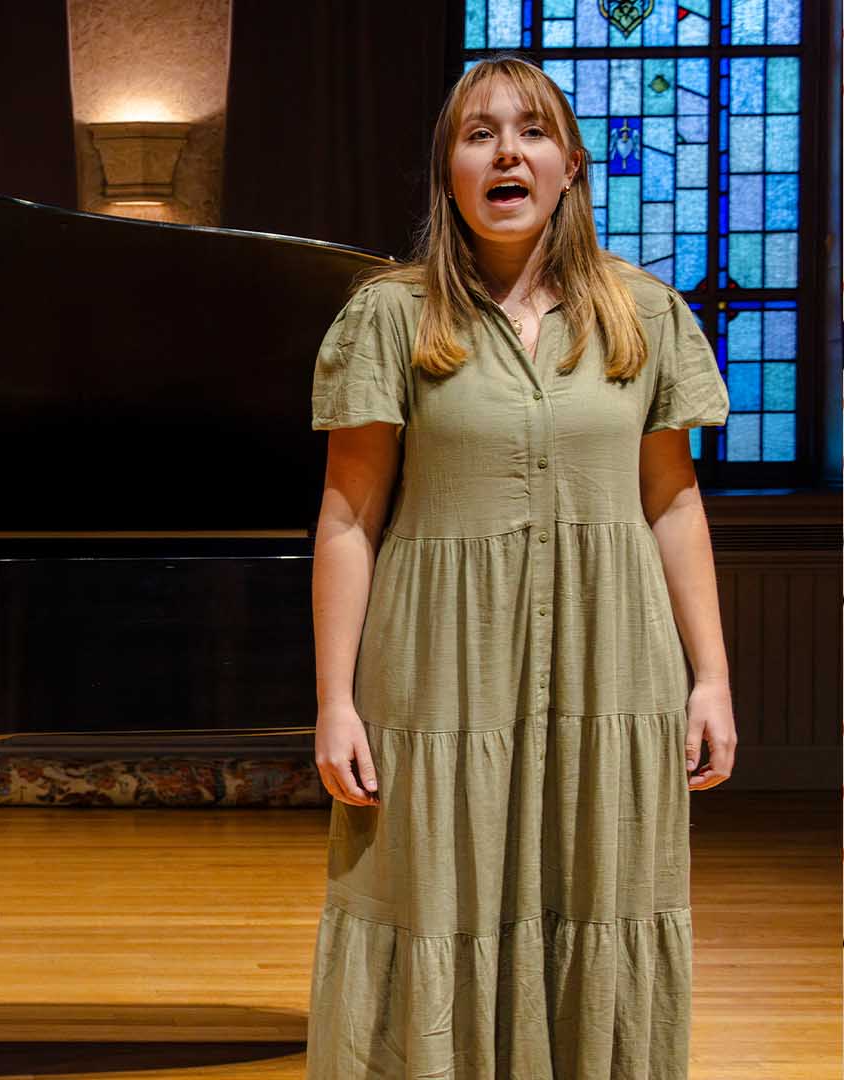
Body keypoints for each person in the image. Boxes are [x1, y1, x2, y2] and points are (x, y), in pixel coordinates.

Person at [305, 58, 734, 1077]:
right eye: (479, 134)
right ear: (449, 172)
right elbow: (348, 515)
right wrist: (334, 700)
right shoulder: (391, 317)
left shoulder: (645, 315)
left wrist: (710, 675)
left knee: (602, 898)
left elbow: (672, 502)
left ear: (571, 165)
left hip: (614, 666)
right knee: (432, 901)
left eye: (532, 131)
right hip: (439, 671)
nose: (507, 151)